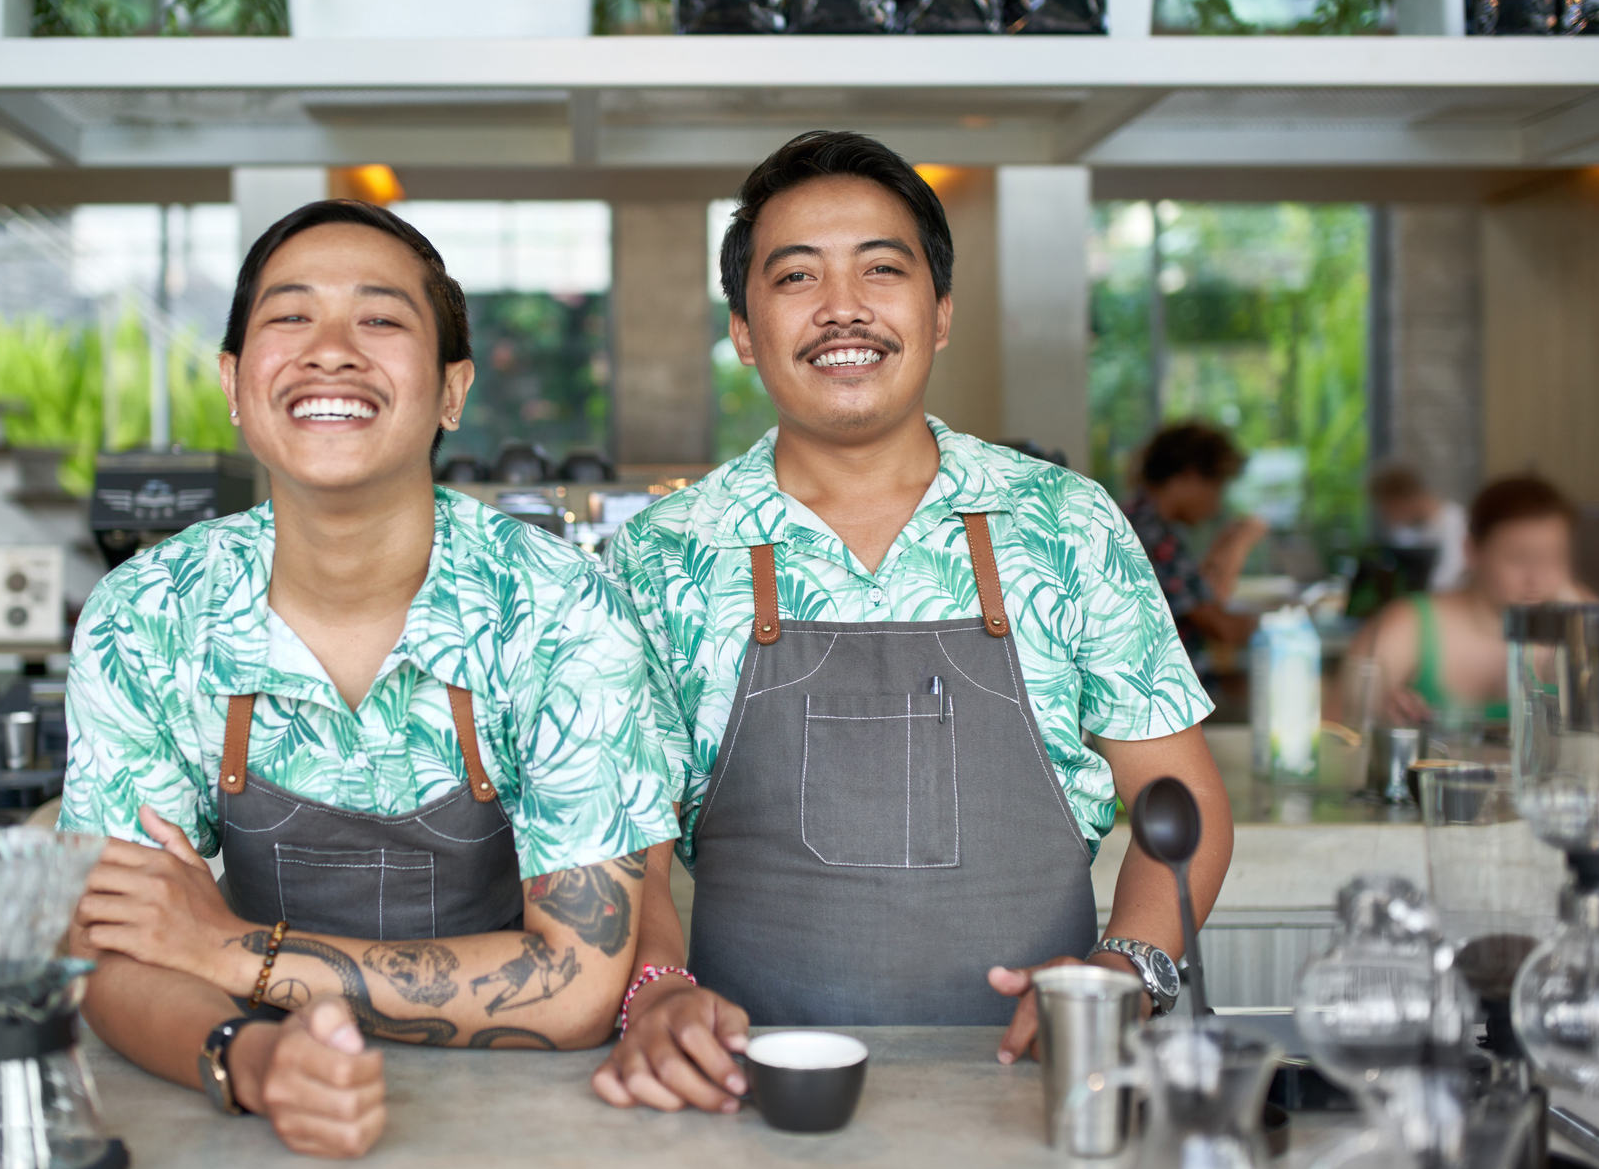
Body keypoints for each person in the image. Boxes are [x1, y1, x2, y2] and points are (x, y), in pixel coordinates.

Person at [592, 132, 1233, 1115]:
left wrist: (1122, 972)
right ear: (743, 328)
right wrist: (655, 990)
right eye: (795, 276)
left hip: (1041, 1094)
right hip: (742, 1093)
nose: (841, 307)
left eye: (880, 270)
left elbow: (1178, 797)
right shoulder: (660, 555)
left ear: (937, 314)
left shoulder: (1064, 524)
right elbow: (618, 835)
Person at [60, 200, 684, 1159]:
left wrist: (227, 950)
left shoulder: (559, 610)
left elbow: (579, 983)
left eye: (383, 319)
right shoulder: (147, 616)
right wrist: (253, 1060)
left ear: (452, 389)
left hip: (540, 1130)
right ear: (234, 381)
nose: (333, 350)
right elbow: (113, 949)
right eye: (290, 316)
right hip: (257, 1109)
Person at [1351, 474, 1596, 726]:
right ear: (1471, 551)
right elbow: (1339, 732)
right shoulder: (1406, 625)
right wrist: (1377, 721)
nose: (1537, 577)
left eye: (1554, 558)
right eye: (1519, 558)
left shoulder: (1583, 618)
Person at [1121, 422, 1267, 680]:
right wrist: (1282, 626)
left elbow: (1198, 597)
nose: (1217, 502)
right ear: (1189, 475)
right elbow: (1220, 627)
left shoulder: (1141, 523)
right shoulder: (1152, 537)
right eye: (1217, 485)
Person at [1369, 464, 1468, 592]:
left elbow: (1450, 582)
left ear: (1402, 499)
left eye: (1389, 509)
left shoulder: (1458, 524)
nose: (1387, 517)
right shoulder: (1401, 533)